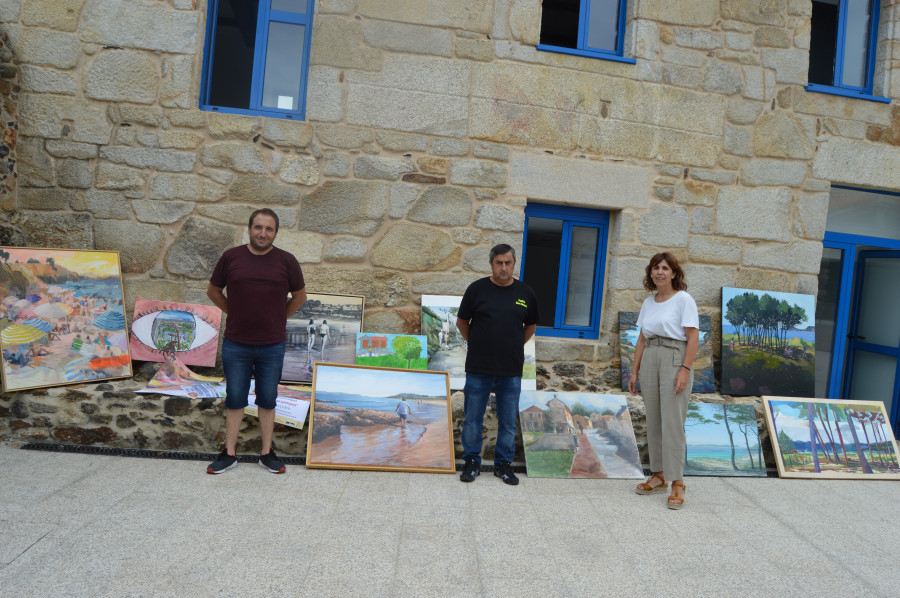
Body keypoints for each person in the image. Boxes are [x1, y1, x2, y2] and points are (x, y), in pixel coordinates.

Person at [206, 208, 307, 475]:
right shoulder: (231, 257)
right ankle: (229, 453)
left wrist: (279, 317)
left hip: (272, 345)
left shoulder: (286, 261)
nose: (263, 233)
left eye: (269, 229)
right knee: (235, 397)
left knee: (268, 398)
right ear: (249, 228)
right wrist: (232, 312)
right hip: (236, 343)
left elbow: (299, 296)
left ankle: (266, 453)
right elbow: (213, 291)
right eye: (258, 227)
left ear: (275, 232)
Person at [456, 243, 539, 485]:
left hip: (510, 369)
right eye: (499, 263)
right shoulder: (476, 290)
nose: (504, 267)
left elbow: (530, 327)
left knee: (507, 419)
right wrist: (479, 342)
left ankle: (503, 465)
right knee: (473, 417)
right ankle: (471, 461)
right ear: (491, 264)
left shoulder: (526, 293)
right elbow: (462, 322)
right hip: (478, 367)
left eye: (508, 263)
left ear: (514, 264)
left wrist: (512, 346)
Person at [628, 252, 699, 509]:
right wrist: (634, 372)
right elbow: (642, 339)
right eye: (655, 268)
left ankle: (677, 481)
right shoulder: (649, 302)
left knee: (672, 421)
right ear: (651, 273)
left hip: (673, 356)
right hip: (650, 358)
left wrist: (685, 369)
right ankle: (658, 474)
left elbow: (693, 338)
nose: (659, 272)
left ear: (674, 273)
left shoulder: (683, 300)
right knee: (655, 419)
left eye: (665, 268)